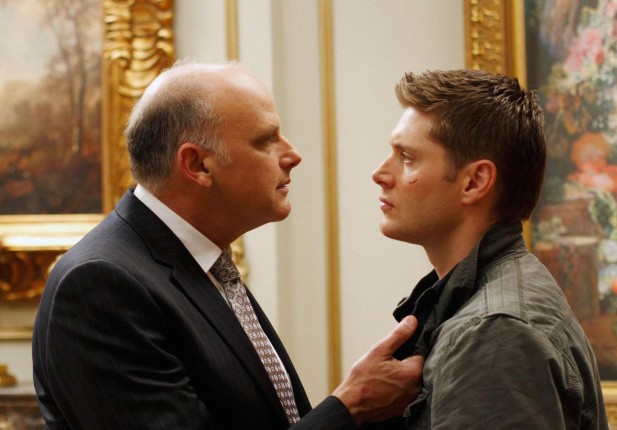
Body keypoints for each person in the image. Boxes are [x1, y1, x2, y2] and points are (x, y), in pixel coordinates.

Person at [32, 61, 424, 429]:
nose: (293, 155)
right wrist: (349, 407)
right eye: (266, 140)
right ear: (198, 165)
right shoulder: (101, 285)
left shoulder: (201, 261)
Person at [371, 69, 608, 429]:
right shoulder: (494, 305)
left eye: (407, 157)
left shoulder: (494, 331)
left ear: (475, 181)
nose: (380, 174)